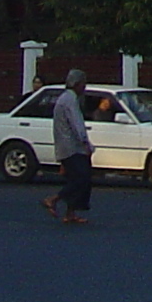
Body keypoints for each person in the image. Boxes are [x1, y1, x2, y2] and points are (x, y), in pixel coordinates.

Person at [45, 67, 93, 225]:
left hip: (65, 146)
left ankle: (70, 213)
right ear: (77, 84)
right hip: (73, 147)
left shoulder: (65, 98)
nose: (84, 87)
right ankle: (54, 199)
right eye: (83, 84)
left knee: (75, 178)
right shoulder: (71, 100)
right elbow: (76, 123)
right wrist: (85, 142)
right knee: (82, 178)